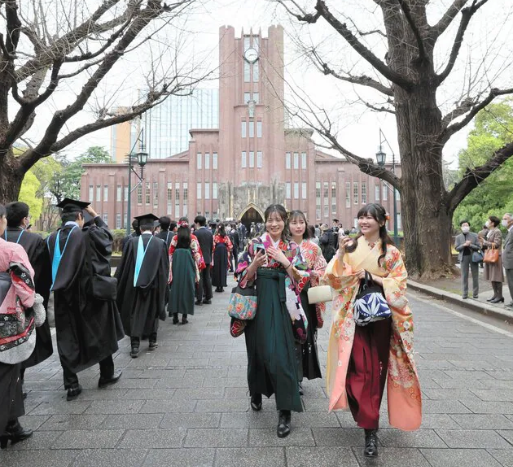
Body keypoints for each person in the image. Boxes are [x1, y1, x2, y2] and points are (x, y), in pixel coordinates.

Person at [324, 203, 422, 458]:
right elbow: (332, 277)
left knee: (375, 371)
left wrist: (375, 277)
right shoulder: (350, 246)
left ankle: (371, 430)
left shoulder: (390, 252)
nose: (364, 221)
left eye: (369, 217)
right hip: (353, 316)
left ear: (381, 221)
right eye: (361, 217)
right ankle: (363, 409)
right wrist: (341, 255)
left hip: (379, 315)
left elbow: (400, 282)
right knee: (356, 367)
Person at [236, 204, 307, 438]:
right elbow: (241, 276)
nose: (273, 224)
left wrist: (284, 261)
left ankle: (284, 410)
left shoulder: (292, 247)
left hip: (283, 304)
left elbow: (303, 277)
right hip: (259, 302)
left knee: (281, 356)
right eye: (269, 220)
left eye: (278, 220)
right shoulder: (254, 244)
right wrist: (254, 265)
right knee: (257, 351)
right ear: (265, 222)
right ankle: (256, 391)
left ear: (284, 222)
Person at [47, 199, 124, 401]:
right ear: (80, 216)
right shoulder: (88, 235)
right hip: (90, 296)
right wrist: (95, 214)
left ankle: (72, 384)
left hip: (63, 297)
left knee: (67, 337)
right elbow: (107, 236)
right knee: (100, 332)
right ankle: (106, 375)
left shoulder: (51, 238)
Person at [0, 203, 39, 449]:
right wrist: (32, 303)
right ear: (2, 220)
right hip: (7, 315)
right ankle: (6, 426)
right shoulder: (12, 249)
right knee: (7, 372)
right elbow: (25, 284)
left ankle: (12, 425)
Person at [5, 202, 53, 385]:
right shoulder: (34, 241)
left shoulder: (1, 237)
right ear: (25, 219)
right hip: (22, 299)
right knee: (20, 337)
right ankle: (19, 380)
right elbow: (42, 276)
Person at [116, 213, 169, 358]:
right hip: (154, 287)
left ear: (140, 229)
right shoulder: (160, 244)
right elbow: (164, 269)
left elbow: (124, 268)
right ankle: (152, 341)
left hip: (134, 287)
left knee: (135, 313)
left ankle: (134, 346)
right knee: (152, 312)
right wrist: (163, 288)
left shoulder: (131, 243)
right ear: (153, 229)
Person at [288, 210, 327, 390]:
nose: (298, 226)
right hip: (287, 297)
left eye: (301, 222)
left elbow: (323, 271)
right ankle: (290, 373)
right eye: (294, 222)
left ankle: (298, 377)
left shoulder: (313, 248)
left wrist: (308, 273)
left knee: (302, 336)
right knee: (288, 336)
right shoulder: (282, 246)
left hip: (305, 297)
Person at [168, 219, 200, 325]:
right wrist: (198, 266)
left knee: (175, 288)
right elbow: (196, 254)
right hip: (188, 263)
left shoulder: (175, 238)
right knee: (187, 288)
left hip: (176, 264)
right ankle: (184, 317)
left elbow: (170, 253)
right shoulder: (192, 238)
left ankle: (175, 316)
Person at [480, 216, 504, 303]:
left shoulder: (497, 231)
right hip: (490, 256)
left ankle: (500, 296)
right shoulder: (490, 231)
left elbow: (497, 244)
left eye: (488, 221)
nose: (487, 222)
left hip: (496, 256)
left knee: (496, 276)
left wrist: (485, 242)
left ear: (493, 223)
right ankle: (495, 294)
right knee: (492, 277)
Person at [454, 220, 481, 299]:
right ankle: (464, 294)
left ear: (469, 226)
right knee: (464, 276)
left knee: (475, 276)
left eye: (466, 225)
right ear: (461, 227)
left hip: (473, 257)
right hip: (463, 257)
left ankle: (475, 294)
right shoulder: (458, 237)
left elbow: (478, 247)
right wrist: (464, 245)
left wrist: (470, 245)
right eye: (463, 225)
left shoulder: (474, 235)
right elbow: (457, 248)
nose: (465, 227)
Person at [194, 215, 213, 305]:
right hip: (208, 257)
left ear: (197, 223)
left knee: (199, 278)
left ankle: (199, 298)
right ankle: (208, 297)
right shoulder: (209, 233)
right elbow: (211, 246)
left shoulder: (196, 233)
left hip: (199, 259)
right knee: (207, 277)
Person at [212, 223, 233, 293]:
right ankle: (222, 286)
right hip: (224, 252)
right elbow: (230, 246)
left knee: (217, 268)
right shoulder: (226, 237)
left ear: (218, 228)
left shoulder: (215, 236)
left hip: (217, 252)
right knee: (223, 268)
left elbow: (213, 246)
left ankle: (217, 286)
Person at [503, 213, 513, 309]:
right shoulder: (509, 231)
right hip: (508, 262)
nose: (504, 221)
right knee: (510, 283)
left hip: (511, 262)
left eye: (505, 219)